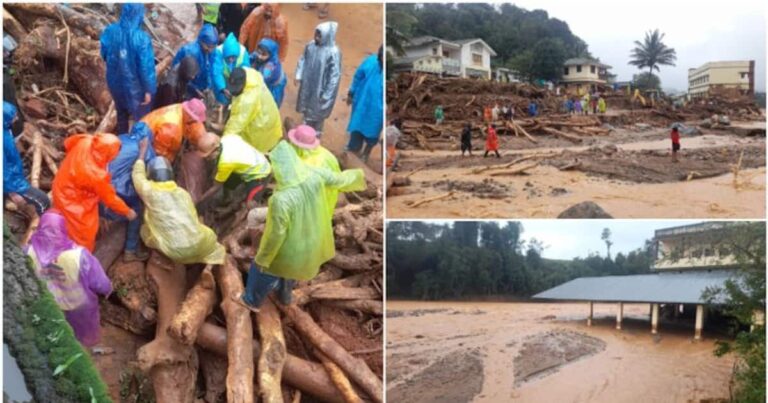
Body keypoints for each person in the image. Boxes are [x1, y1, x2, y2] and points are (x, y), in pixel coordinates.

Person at [236, 140, 365, 311]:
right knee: (291, 270)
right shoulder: (314, 174)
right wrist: (358, 176)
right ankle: (285, 296)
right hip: (313, 237)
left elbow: (276, 234)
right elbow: (339, 179)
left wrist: (263, 259)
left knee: (262, 270)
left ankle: (251, 301)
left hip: (291, 246)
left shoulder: (280, 200)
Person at [25, 211, 113, 348]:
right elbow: (100, 283)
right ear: (63, 229)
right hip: (78, 305)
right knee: (83, 334)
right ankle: (83, 349)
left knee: (53, 333)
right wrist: (107, 289)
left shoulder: (27, 252)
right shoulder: (79, 255)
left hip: (47, 302)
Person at [132, 140, 225, 265]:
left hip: (173, 250)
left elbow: (137, 174)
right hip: (199, 243)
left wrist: (142, 152)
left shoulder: (149, 190)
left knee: (145, 231)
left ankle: (161, 258)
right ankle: (207, 265)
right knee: (208, 234)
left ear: (151, 175)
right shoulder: (182, 193)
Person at [52, 133, 138, 252]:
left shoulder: (87, 140)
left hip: (63, 180)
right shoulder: (95, 175)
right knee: (83, 233)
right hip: (71, 199)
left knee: (67, 225)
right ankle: (81, 259)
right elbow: (110, 199)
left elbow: (68, 143)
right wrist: (127, 212)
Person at [101, 122, 156, 262]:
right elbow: (150, 178)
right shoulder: (147, 150)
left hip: (99, 186)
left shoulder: (122, 138)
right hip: (117, 192)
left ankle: (103, 217)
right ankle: (130, 251)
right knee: (136, 212)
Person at [100, 3, 157, 134]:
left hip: (115, 81)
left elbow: (104, 54)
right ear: (139, 15)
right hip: (135, 86)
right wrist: (149, 90)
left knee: (121, 112)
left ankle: (122, 139)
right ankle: (138, 145)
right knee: (141, 117)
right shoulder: (142, 38)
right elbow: (146, 67)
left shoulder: (110, 31)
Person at [197, 130, 272, 212]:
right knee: (226, 179)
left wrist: (200, 200)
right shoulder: (227, 138)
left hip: (261, 174)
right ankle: (228, 198)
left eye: (208, 156)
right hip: (257, 160)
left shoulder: (226, 162)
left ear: (216, 150)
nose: (207, 159)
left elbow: (216, 186)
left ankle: (255, 217)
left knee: (250, 205)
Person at [4, 102, 50, 216]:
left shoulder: (5, 128)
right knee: (43, 201)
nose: (16, 118)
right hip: (12, 183)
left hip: (14, 175)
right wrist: (14, 191)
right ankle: (44, 227)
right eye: (13, 116)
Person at [295, 22, 341, 136]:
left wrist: (327, 94)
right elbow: (303, 59)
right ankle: (304, 133)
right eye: (316, 34)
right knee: (306, 109)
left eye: (320, 36)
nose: (316, 37)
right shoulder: (311, 45)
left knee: (318, 116)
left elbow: (334, 76)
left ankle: (316, 136)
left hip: (320, 90)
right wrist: (299, 75)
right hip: (308, 85)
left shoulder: (333, 53)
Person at [223, 67, 282, 152]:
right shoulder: (250, 74)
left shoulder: (248, 100)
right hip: (269, 117)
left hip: (261, 128)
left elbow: (235, 126)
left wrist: (224, 141)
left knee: (255, 152)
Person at [345, 46, 383, 162]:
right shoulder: (370, 62)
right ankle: (353, 149)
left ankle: (367, 152)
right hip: (362, 102)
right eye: (382, 56)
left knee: (373, 131)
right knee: (357, 126)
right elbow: (357, 76)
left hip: (377, 110)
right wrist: (351, 93)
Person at [141, 98, 208, 161]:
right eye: (195, 120)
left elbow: (194, 127)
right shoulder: (172, 127)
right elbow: (160, 151)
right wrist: (170, 160)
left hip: (149, 124)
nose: (196, 122)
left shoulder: (180, 108)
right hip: (144, 138)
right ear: (190, 117)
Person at [173, 24, 218, 99]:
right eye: (208, 47)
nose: (210, 50)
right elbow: (179, 73)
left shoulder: (212, 51)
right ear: (201, 41)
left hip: (201, 86)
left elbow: (211, 68)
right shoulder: (189, 51)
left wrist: (209, 85)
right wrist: (194, 89)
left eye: (213, 47)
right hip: (188, 87)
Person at [212, 33, 251, 105]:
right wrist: (223, 88)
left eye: (233, 57)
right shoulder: (218, 51)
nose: (230, 60)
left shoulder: (243, 53)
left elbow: (245, 72)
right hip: (224, 77)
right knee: (223, 98)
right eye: (228, 57)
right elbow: (216, 72)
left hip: (236, 78)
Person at [251, 38, 287, 107]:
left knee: (269, 107)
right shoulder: (262, 55)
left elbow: (262, 80)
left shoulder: (271, 67)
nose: (260, 56)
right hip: (266, 84)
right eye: (259, 52)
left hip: (272, 90)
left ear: (271, 54)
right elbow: (252, 56)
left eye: (263, 54)